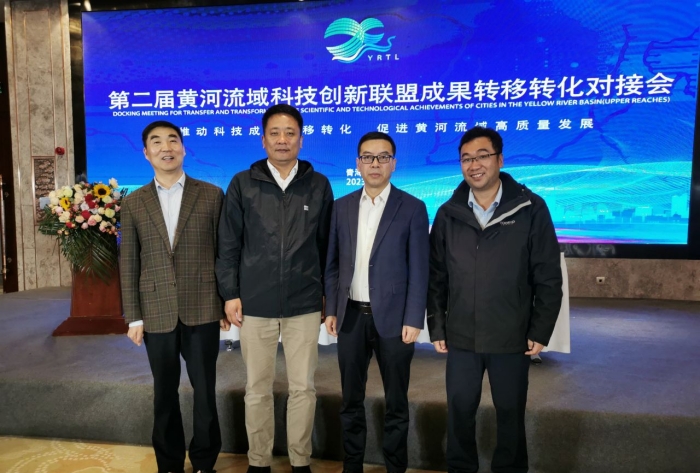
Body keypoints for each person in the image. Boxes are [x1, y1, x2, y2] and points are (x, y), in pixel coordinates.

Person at [427, 126, 562, 473]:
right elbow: (436, 276)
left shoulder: (530, 208)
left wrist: (541, 329)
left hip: (511, 335)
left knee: (510, 414)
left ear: (500, 160)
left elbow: (548, 276)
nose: (474, 165)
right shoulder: (448, 213)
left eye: (482, 156)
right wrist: (437, 326)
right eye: (466, 159)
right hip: (462, 336)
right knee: (459, 413)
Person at [216, 104, 334, 473]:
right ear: (263, 138)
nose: (283, 140)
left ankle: (300, 461)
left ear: (301, 138)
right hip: (255, 301)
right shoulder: (243, 184)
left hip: (304, 302)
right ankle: (258, 462)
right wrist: (230, 293)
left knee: (303, 388)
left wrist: (326, 296)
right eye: (275, 133)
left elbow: (327, 247)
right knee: (257, 388)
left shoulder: (318, 185)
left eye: (290, 133)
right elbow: (228, 245)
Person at [121, 120, 227, 473]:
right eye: (157, 142)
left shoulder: (211, 195)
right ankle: (168, 463)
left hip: (203, 307)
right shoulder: (134, 202)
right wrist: (134, 316)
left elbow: (223, 253)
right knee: (164, 392)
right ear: (146, 152)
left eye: (172, 140)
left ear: (183, 148)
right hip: (156, 310)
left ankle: (204, 462)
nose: (166, 147)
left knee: (205, 391)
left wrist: (225, 300)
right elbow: (129, 262)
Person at [324, 131, 429, 473]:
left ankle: (395, 467)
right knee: (350, 399)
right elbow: (333, 264)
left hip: (395, 321)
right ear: (358, 163)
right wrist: (331, 309)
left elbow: (420, 269)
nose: (375, 164)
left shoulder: (412, 208)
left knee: (396, 401)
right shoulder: (341, 207)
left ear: (393, 164)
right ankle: (352, 465)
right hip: (351, 317)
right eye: (368, 157)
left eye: (383, 157)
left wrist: (414, 317)